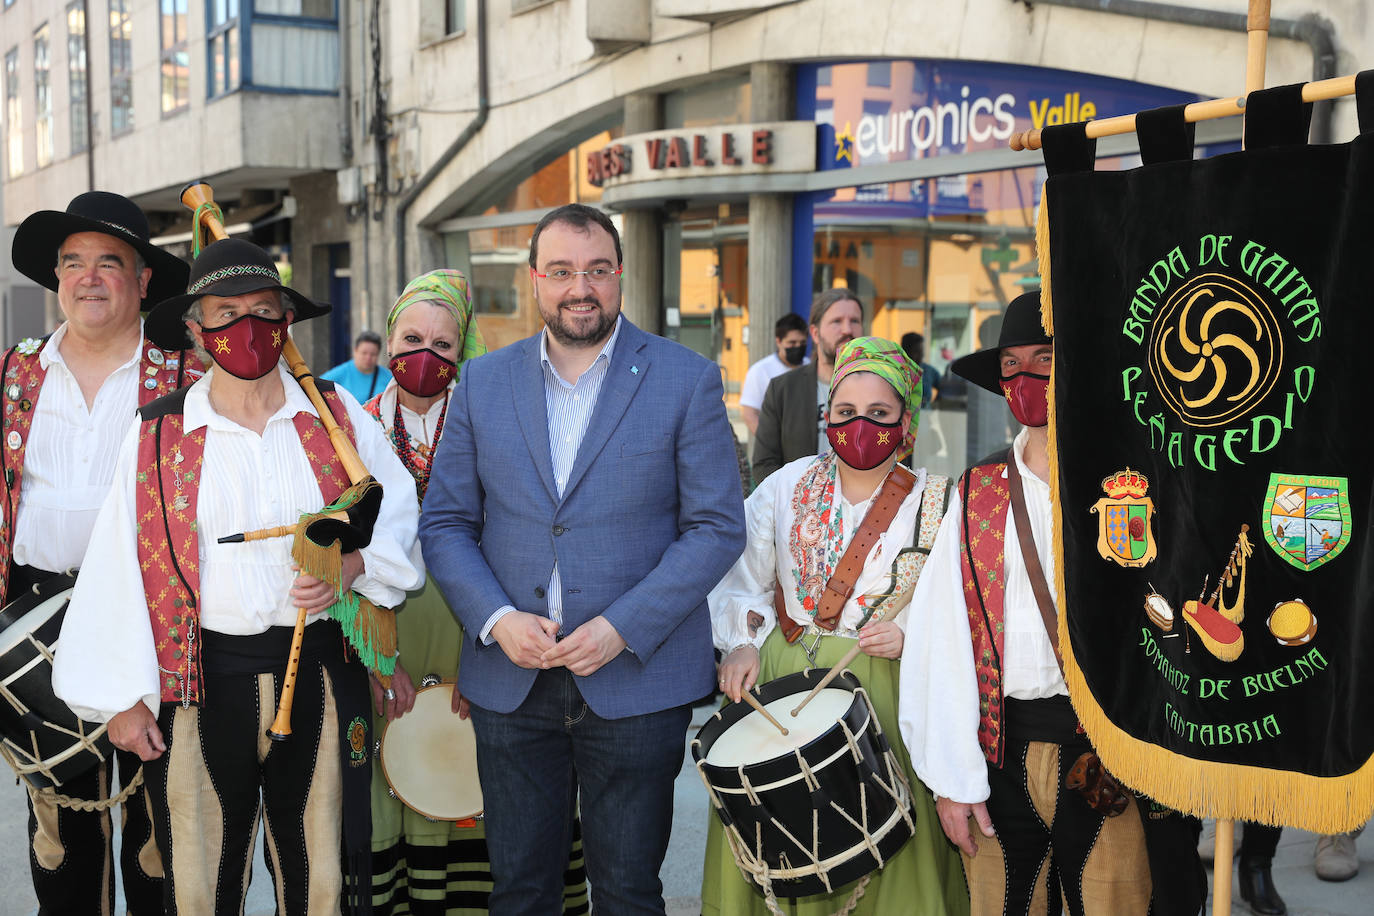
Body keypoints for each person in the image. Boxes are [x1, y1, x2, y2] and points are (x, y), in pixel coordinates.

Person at [51, 238, 424, 914]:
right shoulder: (158, 434)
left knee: (319, 885)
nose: (244, 328)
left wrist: (353, 566)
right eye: (225, 313)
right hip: (199, 685)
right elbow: (117, 568)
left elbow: (400, 513)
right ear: (196, 331)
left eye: (262, 311)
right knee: (198, 885)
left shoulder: (335, 418)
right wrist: (123, 701)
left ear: (286, 323)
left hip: (319, 676)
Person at [418, 203, 746, 914]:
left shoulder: (684, 379)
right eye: (562, 271)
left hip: (634, 678)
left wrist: (622, 625)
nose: (580, 287)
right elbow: (444, 523)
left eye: (597, 270)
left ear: (620, 277)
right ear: (535, 281)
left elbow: (718, 527)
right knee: (520, 891)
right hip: (513, 681)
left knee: (628, 892)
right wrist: (498, 618)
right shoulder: (481, 383)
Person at [898, 290, 1160, 915]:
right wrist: (953, 782)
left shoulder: (1137, 479)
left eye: (1042, 359)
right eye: (1010, 366)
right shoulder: (976, 491)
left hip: (1109, 756)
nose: (1024, 379)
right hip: (1000, 757)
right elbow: (941, 641)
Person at [704, 337, 969, 916]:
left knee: (885, 841)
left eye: (880, 414)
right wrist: (743, 644)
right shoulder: (785, 486)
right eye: (846, 413)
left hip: (887, 688)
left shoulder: (940, 503)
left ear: (907, 421)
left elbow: (959, 610)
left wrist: (912, 639)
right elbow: (742, 573)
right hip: (781, 679)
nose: (861, 426)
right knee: (783, 836)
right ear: (826, 416)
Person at [363, 268, 589, 914]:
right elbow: (339, 558)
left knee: (488, 799)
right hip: (383, 640)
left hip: (481, 632)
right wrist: (380, 665)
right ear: (389, 336)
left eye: (442, 344)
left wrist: (484, 656)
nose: (424, 356)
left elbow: (523, 541)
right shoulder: (350, 430)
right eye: (411, 337)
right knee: (393, 784)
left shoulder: (499, 426)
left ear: (464, 351)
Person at [3, 190, 196, 915]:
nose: (88, 277)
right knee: (59, 832)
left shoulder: (185, 377)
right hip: (35, 610)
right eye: (73, 262)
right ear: (56, 278)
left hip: (152, 620)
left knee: (159, 831)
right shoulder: (14, 375)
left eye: (109, 263)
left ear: (143, 281)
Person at [752, 288, 863, 483]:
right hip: (797, 508)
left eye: (855, 321)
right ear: (815, 332)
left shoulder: (880, 391)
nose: (847, 329)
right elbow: (764, 465)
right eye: (837, 321)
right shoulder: (783, 390)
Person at [739, 312, 808, 436]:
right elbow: (749, 413)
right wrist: (767, 442)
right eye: (792, 343)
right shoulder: (760, 371)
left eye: (802, 343)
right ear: (779, 341)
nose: (797, 347)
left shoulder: (811, 367)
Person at [324, 329, 394, 403]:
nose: (368, 358)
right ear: (355, 351)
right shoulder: (339, 373)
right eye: (364, 353)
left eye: (373, 354)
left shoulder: (389, 378)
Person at [900, 331, 940, 408]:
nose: (921, 355)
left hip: (925, 416)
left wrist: (935, 406)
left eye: (922, 352)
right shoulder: (896, 371)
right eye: (917, 352)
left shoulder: (928, 371)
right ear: (905, 352)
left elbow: (944, 387)